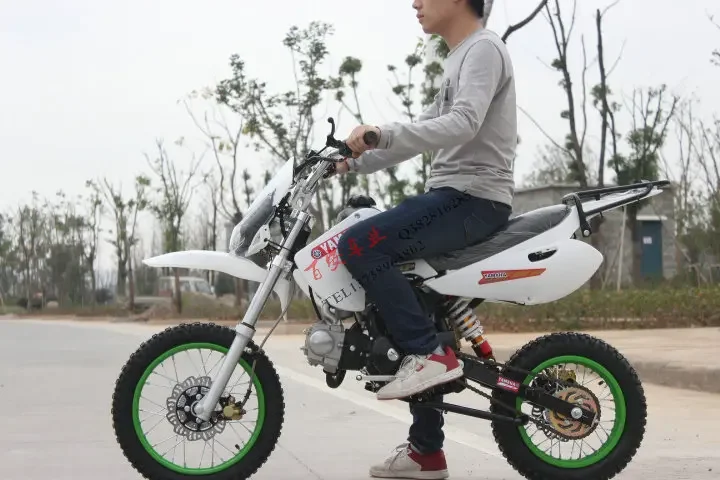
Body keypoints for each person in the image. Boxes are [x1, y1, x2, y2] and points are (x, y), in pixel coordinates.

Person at [334, 0, 516, 478]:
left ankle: (430, 354)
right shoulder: (459, 57)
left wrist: (380, 133)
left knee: (358, 245)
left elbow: (463, 123)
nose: (415, 3)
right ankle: (426, 452)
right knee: (416, 300)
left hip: (473, 198)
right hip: (455, 196)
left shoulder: (484, 49)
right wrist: (351, 161)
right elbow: (421, 134)